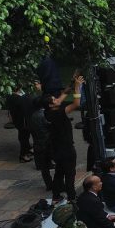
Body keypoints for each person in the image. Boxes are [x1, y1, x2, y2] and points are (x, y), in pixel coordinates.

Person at [47, 74, 85, 204]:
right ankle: (72, 198)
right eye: (54, 99)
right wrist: (77, 88)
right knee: (70, 174)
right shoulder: (58, 112)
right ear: (52, 104)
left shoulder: (48, 112)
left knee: (59, 173)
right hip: (66, 149)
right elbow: (76, 104)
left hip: (56, 149)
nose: (57, 99)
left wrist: (67, 89)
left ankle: (56, 196)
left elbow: (60, 99)